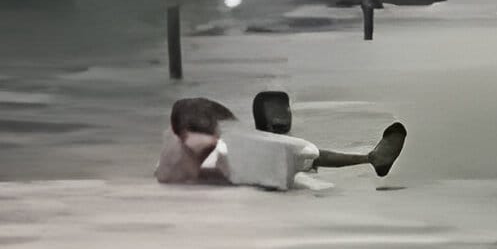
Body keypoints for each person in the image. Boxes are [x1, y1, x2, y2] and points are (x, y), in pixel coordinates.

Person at [155, 92, 406, 188]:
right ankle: (371, 159)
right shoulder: (174, 161)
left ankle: (371, 159)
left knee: (292, 155)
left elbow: (302, 154)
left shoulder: (238, 148)